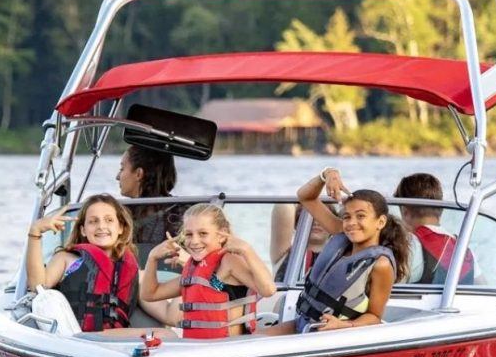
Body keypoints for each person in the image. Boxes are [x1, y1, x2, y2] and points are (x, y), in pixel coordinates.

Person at [268, 167, 410, 334]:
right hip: (303, 323)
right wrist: (328, 174)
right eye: (347, 216)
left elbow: (374, 316)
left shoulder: (381, 264)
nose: (351, 222)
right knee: (254, 339)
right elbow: (305, 197)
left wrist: (343, 325)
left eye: (361, 216)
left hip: (333, 333)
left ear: (380, 222)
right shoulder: (340, 232)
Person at [141, 203, 276, 339]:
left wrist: (247, 250)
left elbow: (268, 290)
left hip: (227, 347)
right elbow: (150, 294)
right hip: (197, 347)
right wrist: (152, 258)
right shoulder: (194, 270)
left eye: (203, 234)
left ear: (222, 235)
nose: (194, 241)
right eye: (189, 234)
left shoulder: (229, 260)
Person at [26, 194, 141, 332]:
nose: (101, 226)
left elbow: (162, 309)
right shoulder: (67, 259)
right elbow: (37, 286)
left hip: (117, 342)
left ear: (121, 228)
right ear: (83, 230)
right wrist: (35, 232)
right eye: (93, 221)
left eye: (109, 220)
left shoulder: (133, 271)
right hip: (75, 340)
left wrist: (154, 258)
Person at [393, 172, 476, 284]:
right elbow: (482, 284)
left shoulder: (409, 246)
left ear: (405, 212)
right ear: (441, 209)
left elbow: (387, 287)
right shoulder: (464, 249)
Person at [116, 145, 185, 264]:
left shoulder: (118, 216)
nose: (117, 177)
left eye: (122, 169)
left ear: (138, 174)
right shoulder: (185, 211)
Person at [270, 203, 334, 281]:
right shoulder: (283, 254)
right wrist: (307, 199)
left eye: (322, 217)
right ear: (296, 224)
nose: (316, 222)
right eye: (311, 217)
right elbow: (284, 206)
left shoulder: (339, 258)